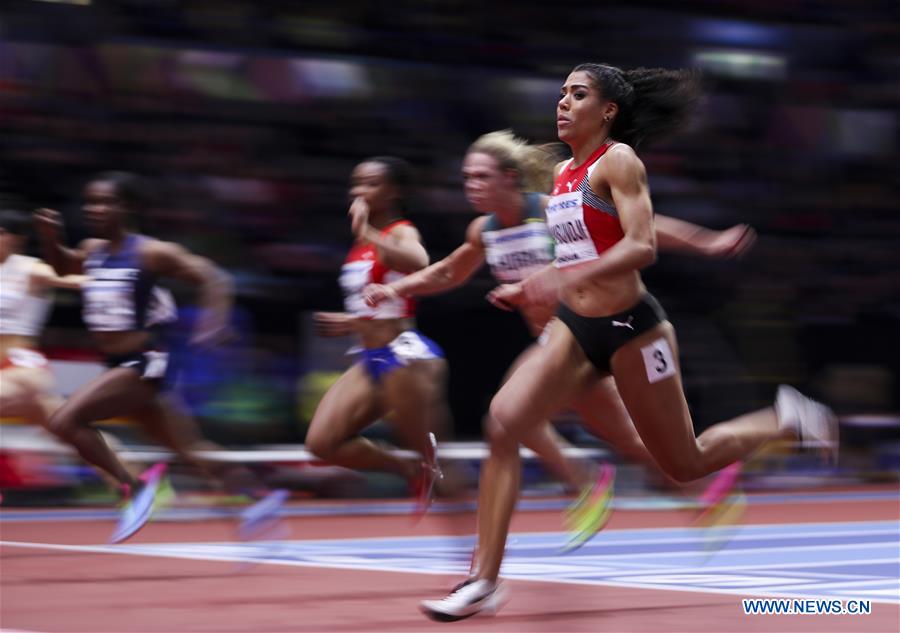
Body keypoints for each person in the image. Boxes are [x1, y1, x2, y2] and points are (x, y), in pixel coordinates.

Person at [417, 63, 838, 620]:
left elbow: (641, 243)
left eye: (578, 94)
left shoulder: (618, 160)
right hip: (574, 328)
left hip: (633, 330)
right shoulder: (564, 173)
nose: (562, 103)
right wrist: (530, 284)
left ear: (608, 111)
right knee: (504, 423)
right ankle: (484, 581)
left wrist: (697, 244)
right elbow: (582, 240)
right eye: (562, 93)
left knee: (685, 463)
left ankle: (784, 417)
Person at [363, 129, 756, 579]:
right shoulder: (485, 230)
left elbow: (636, 231)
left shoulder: (549, 211)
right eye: (465, 177)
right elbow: (449, 271)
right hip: (560, 344)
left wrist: (705, 241)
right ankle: (705, 493)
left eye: (480, 176)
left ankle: (590, 482)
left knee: (509, 419)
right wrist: (397, 287)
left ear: (509, 178)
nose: (469, 185)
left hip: (584, 334)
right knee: (622, 437)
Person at [35, 171, 285, 543]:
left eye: (106, 202)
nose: (95, 209)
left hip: (144, 363)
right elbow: (62, 267)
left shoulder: (151, 252)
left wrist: (213, 322)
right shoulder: (92, 250)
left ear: (130, 207)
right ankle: (256, 503)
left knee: (63, 421)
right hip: (117, 366)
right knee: (189, 448)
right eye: (90, 202)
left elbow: (213, 277)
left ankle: (133, 488)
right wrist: (51, 239)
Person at [306, 156, 448, 516]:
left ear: (394, 191)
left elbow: (419, 263)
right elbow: (373, 306)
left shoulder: (399, 230)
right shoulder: (361, 245)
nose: (359, 191)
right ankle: (411, 469)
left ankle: (451, 490)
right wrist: (351, 322)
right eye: (356, 183)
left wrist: (367, 231)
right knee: (321, 444)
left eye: (370, 183)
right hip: (370, 357)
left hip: (401, 354)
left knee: (423, 437)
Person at [1, 208, 85, 441]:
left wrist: (120, 277)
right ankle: (132, 473)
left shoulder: (30, 268)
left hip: (20, 369)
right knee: (74, 437)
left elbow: (76, 281)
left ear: (14, 238)